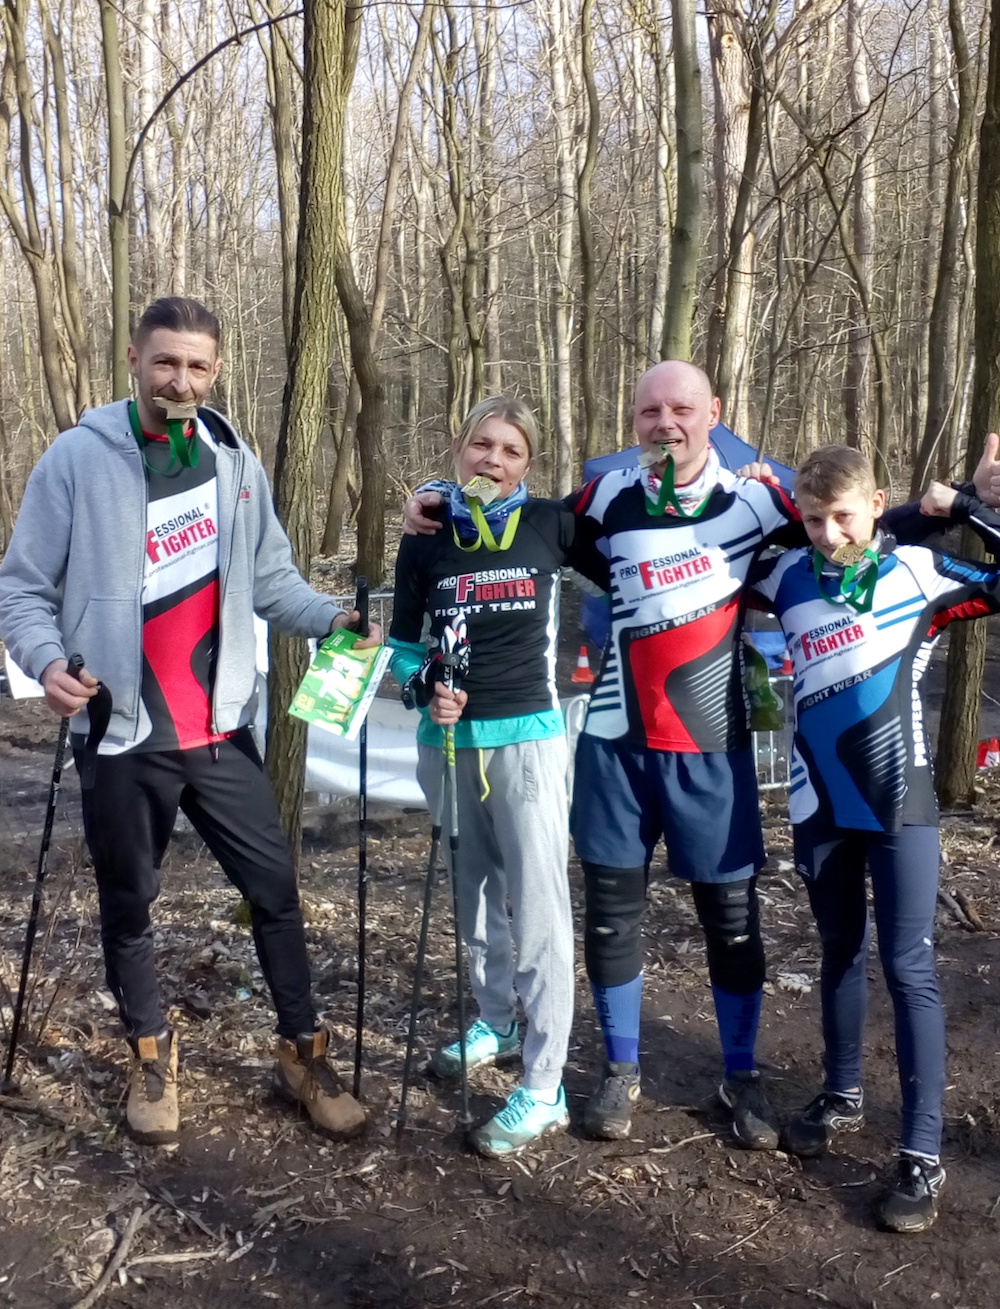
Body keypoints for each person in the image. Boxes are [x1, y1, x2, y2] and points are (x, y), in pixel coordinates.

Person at [403, 361, 991, 1151]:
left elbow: (854, 538)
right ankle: (620, 1069)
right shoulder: (603, 497)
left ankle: (740, 1073)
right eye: (650, 411)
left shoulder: (758, 501)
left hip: (711, 746)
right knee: (612, 914)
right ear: (634, 419)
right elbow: (509, 517)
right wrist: (432, 500)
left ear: (713, 411)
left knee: (730, 919)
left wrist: (958, 503)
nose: (665, 423)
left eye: (681, 408)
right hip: (616, 745)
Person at [0, 297, 379, 1145]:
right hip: (120, 730)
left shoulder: (234, 462)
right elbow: (21, 586)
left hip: (219, 730)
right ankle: (151, 1053)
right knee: (129, 902)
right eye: (165, 362)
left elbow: (273, 580)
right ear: (135, 359)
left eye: (196, 366)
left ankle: (302, 1053)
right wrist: (47, 660)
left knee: (274, 890)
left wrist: (330, 618)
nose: (180, 380)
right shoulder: (77, 457)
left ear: (217, 371)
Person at [750, 445, 1000, 1232]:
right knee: (838, 949)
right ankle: (842, 1090)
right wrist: (763, 499)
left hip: (900, 805)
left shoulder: (917, 571)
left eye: (844, 517)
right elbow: (714, 562)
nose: (829, 535)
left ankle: (922, 1152)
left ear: (877, 505)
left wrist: (965, 508)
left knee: (909, 967)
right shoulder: (784, 577)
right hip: (816, 800)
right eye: (812, 520)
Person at [390, 396, 584, 1158]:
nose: (493, 460)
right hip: (448, 741)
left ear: (528, 463)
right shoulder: (426, 535)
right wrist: (424, 686)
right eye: (482, 444)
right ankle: (496, 1019)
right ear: (458, 446)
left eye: (510, 450)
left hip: (528, 739)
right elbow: (404, 647)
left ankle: (545, 1081)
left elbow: (632, 553)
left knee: (538, 909)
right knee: (471, 895)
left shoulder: (550, 524)